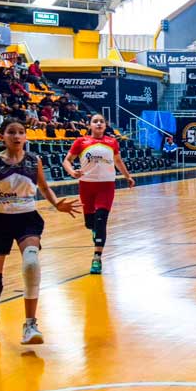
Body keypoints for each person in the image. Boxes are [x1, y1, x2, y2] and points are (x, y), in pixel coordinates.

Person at [0, 119, 80, 344]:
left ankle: (30, 324)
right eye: (11, 132)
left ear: (26, 136)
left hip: (27, 218)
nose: (17, 136)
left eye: (21, 132)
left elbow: (43, 186)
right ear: (2, 136)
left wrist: (56, 203)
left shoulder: (34, 160)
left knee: (31, 263)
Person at [62, 113, 135, 274]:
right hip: (86, 186)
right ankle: (95, 229)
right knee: (90, 223)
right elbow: (67, 160)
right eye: (95, 121)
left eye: (102, 121)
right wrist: (72, 172)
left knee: (101, 220)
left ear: (105, 125)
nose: (99, 123)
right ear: (90, 125)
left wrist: (127, 177)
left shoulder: (112, 142)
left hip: (106, 186)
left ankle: (97, 258)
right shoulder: (81, 142)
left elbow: (118, 161)